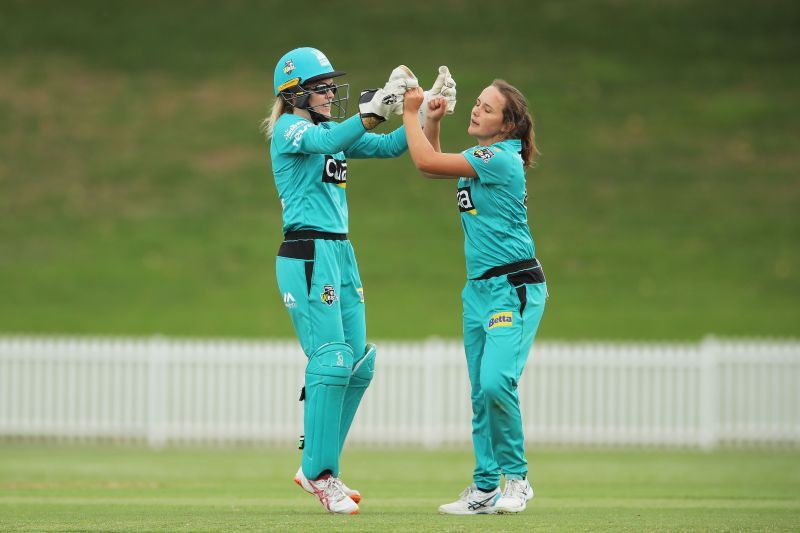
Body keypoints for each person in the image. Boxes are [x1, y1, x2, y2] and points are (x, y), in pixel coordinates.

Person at [264, 47, 448, 515]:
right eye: (322, 86)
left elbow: (391, 146)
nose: (330, 92)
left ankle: (319, 467)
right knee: (332, 357)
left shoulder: (330, 129)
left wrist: (425, 113)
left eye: (330, 85)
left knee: (357, 363)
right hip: (307, 251)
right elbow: (328, 144)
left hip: (341, 251)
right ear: (296, 93)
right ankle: (320, 474)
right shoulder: (290, 128)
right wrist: (371, 112)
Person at [402, 79, 547, 515]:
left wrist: (411, 112)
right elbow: (432, 167)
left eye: (486, 109)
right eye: (477, 105)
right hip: (479, 289)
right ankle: (485, 487)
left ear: (507, 126)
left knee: (495, 381)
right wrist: (432, 119)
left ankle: (518, 480)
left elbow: (424, 159)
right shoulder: (483, 159)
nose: (477, 111)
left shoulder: (500, 158)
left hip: (513, 286)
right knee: (480, 392)